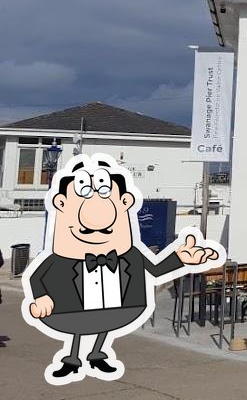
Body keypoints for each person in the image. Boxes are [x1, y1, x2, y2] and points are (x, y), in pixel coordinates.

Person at [23, 153, 222, 384]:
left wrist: (180, 258)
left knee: (103, 322)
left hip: (117, 306)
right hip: (70, 309)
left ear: (125, 203)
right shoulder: (60, 260)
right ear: (61, 204)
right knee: (79, 326)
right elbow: (37, 276)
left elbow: (156, 270)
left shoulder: (130, 254)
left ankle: (97, 354)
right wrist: (42, 297)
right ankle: (72, 359)